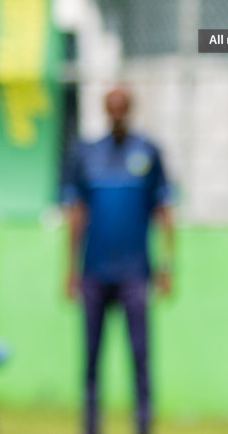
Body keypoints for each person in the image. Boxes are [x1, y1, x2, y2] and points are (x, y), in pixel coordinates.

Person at [62, 86, 175, 434]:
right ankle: (91, 425)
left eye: (122, 108)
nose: (117, 115)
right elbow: (76, 213)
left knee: (140, 355)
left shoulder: (148, 152)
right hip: (95, 273)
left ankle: (143, 424)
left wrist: (167, 265)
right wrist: (70, 269)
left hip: (134, 274)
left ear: (131, 110)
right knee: (91, 358)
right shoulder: (87, 155)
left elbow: (164, 211)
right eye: (111, 109)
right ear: (103, 111)